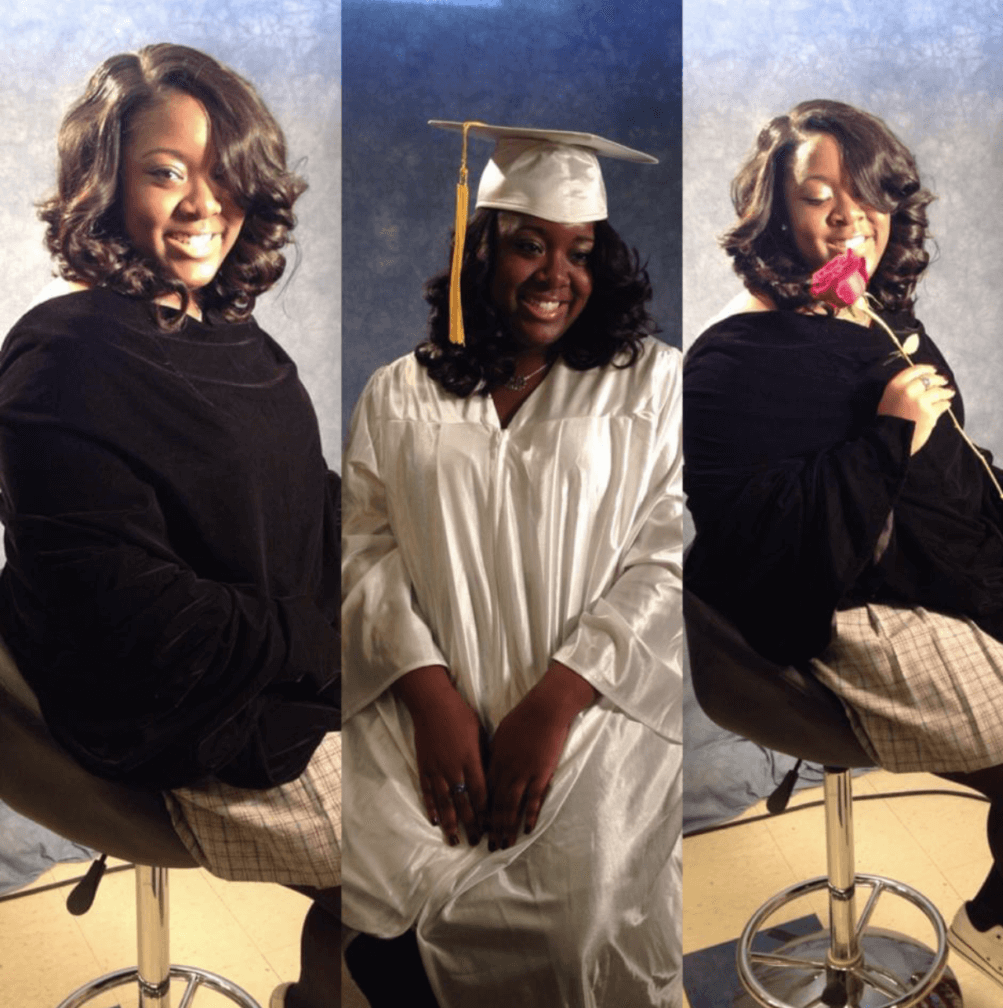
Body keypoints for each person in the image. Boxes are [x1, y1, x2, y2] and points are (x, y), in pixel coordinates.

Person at [0, 45, 340, 1008]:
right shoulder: (61, 366)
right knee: (450, 851)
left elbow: (314, 511)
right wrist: (327, 645)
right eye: (165, 172)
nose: (203, 205)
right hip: (181, 728)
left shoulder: (240, 343)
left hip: (285, 680)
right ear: (101, 185)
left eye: (223, 173)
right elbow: (139, 630)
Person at [684, 99, 1003, 1003]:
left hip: (927, 572)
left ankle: (1001, 909)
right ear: (774, 214)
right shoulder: (728, 360)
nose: (848, 217)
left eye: (867, 193)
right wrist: (883, 438)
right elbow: (765, 548)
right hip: (823, 609)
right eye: (818, 195)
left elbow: (944, 450)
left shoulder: (873, 311)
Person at [342, 121, 683, 1006]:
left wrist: (560, 699)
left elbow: (668, 553)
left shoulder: (652, 384)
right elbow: (362, 547)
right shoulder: (399, 390)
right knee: (372, 903)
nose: (556, 275)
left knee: (576, 926)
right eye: (530, 246)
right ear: (481, 251)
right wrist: (425, 691)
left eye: (579, 252)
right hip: (426, 708)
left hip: (595, 707)